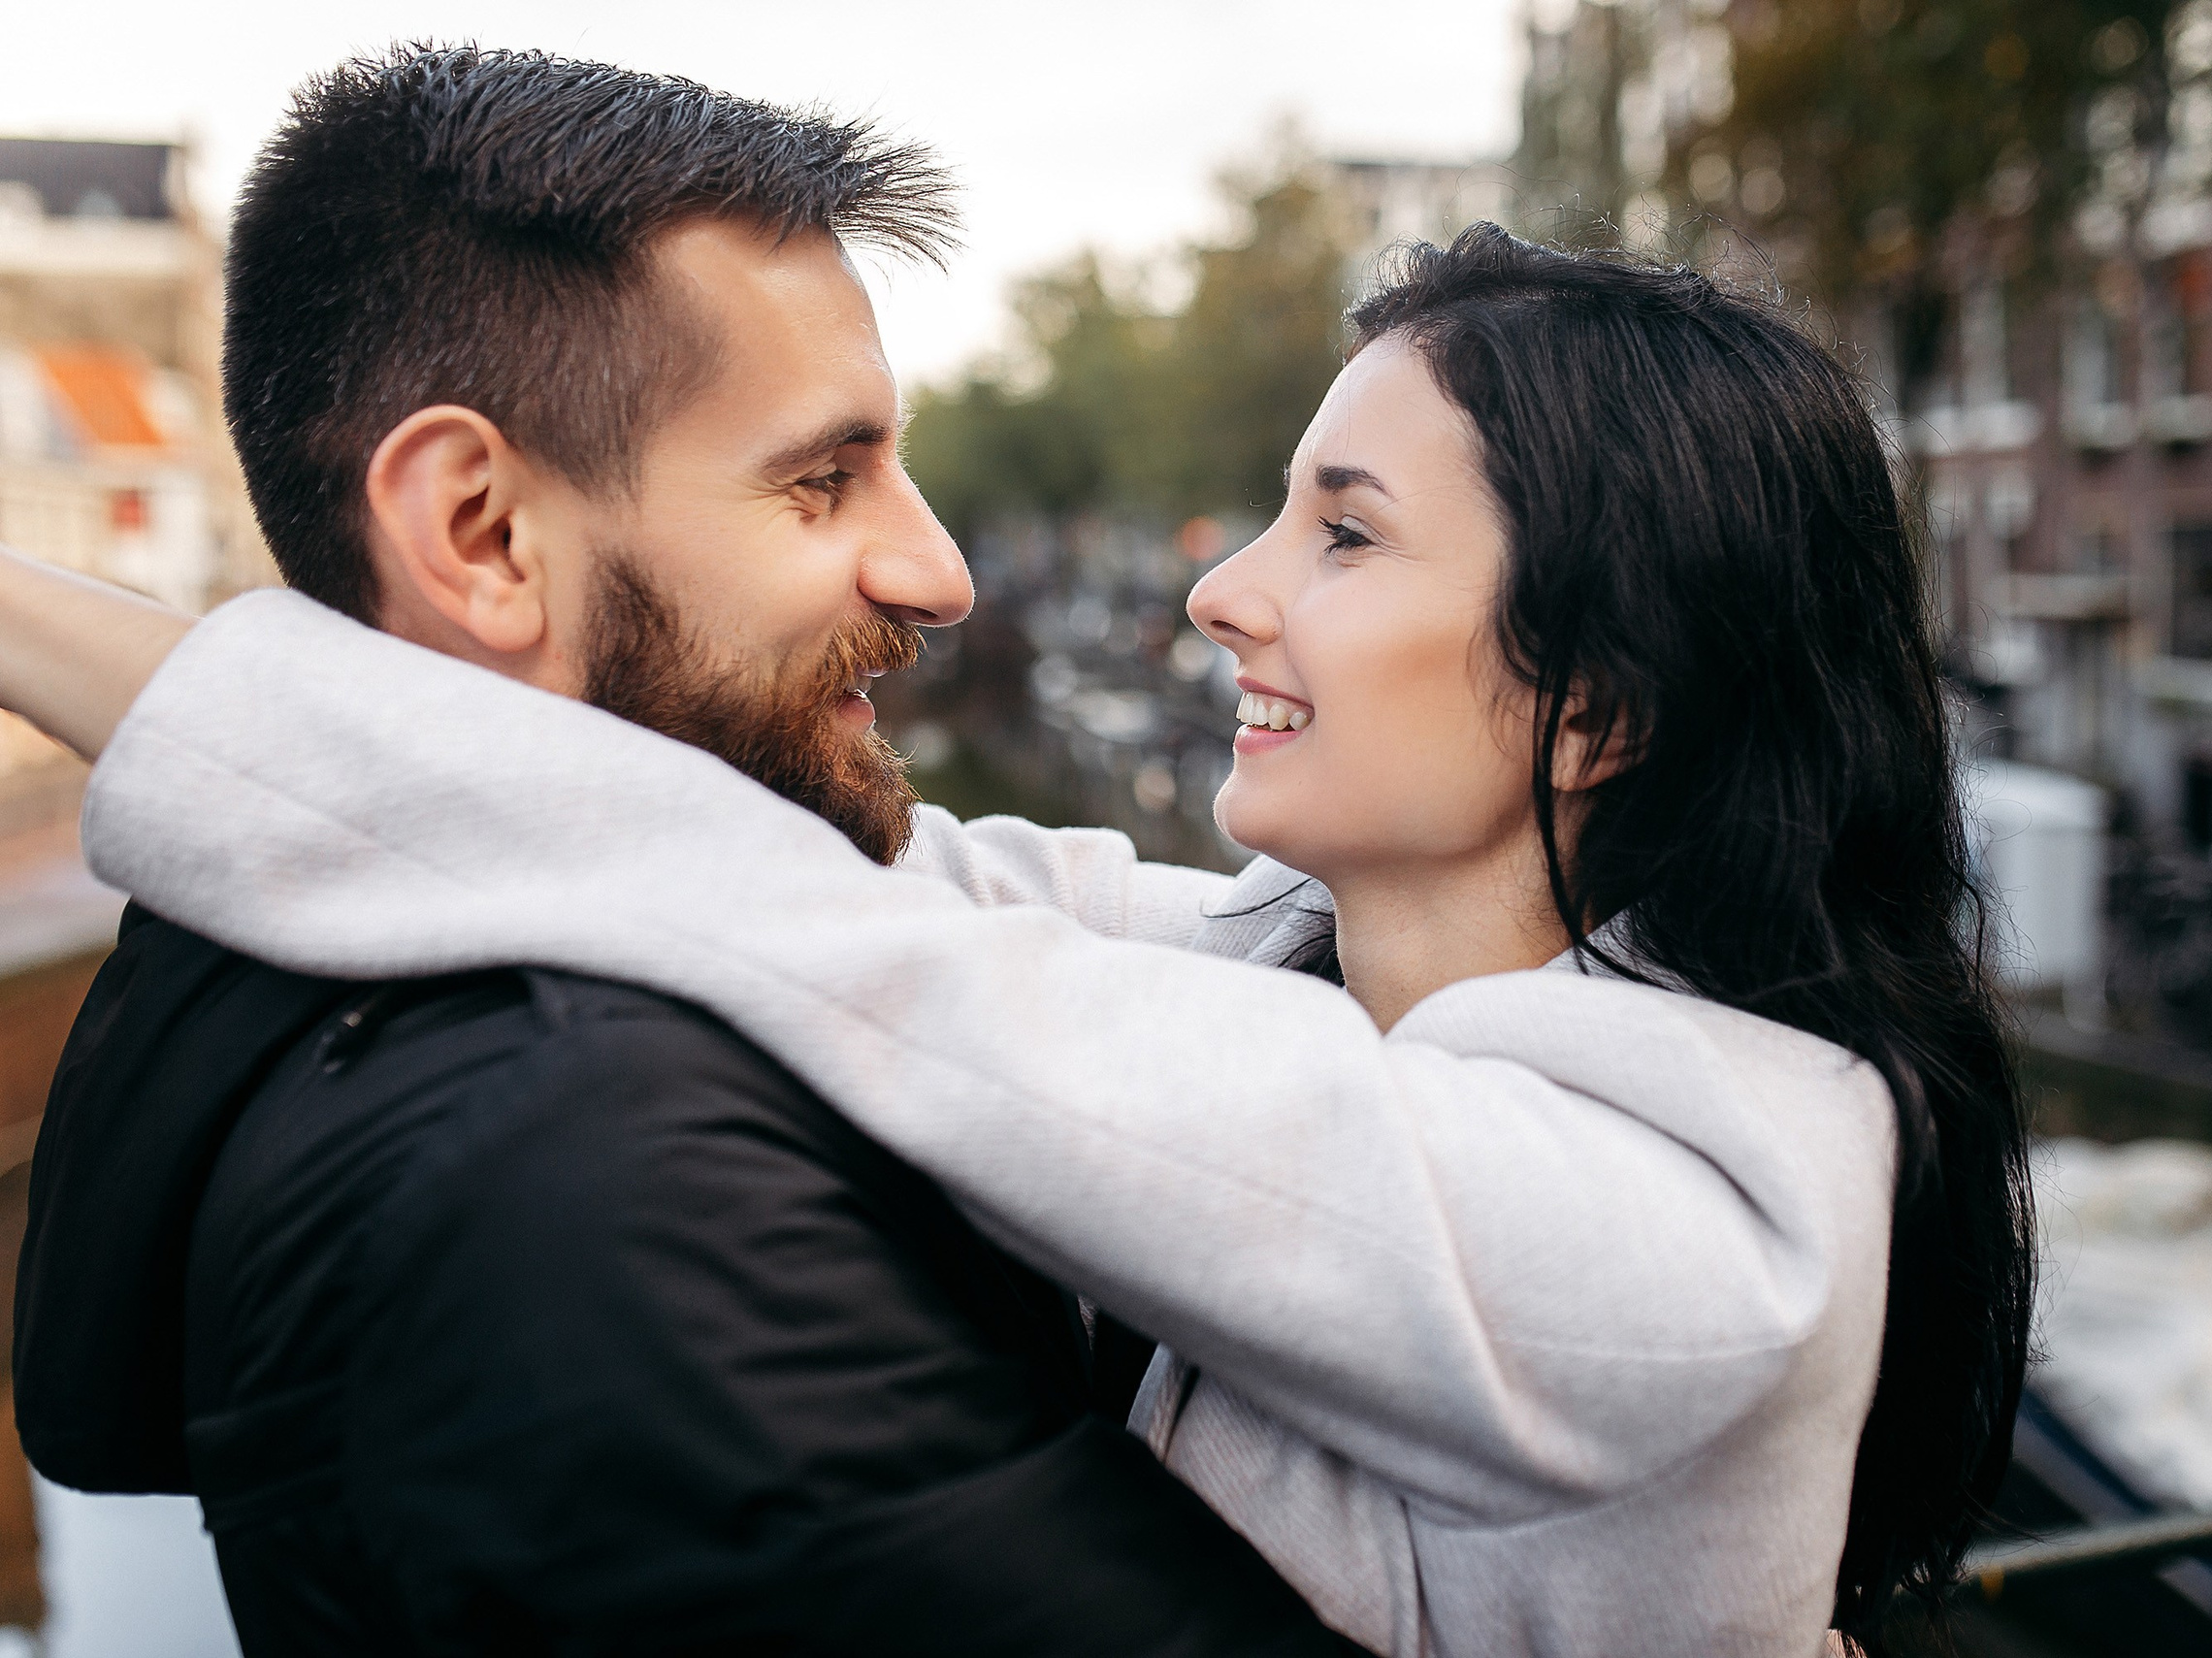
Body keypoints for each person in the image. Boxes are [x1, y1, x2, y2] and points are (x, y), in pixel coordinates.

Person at [4, 226, 2037, 1658]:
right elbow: (830, 876)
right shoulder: (1300, 972)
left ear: (1595, 707)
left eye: (1342, 533)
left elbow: (805, 930)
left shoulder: (1677, 1242)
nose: (1223, 593)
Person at [4, 48, 1364, 1658]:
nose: (940, 571)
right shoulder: (601, 1193)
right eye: (822, 478)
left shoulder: (491, 1019)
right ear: (482, 535)